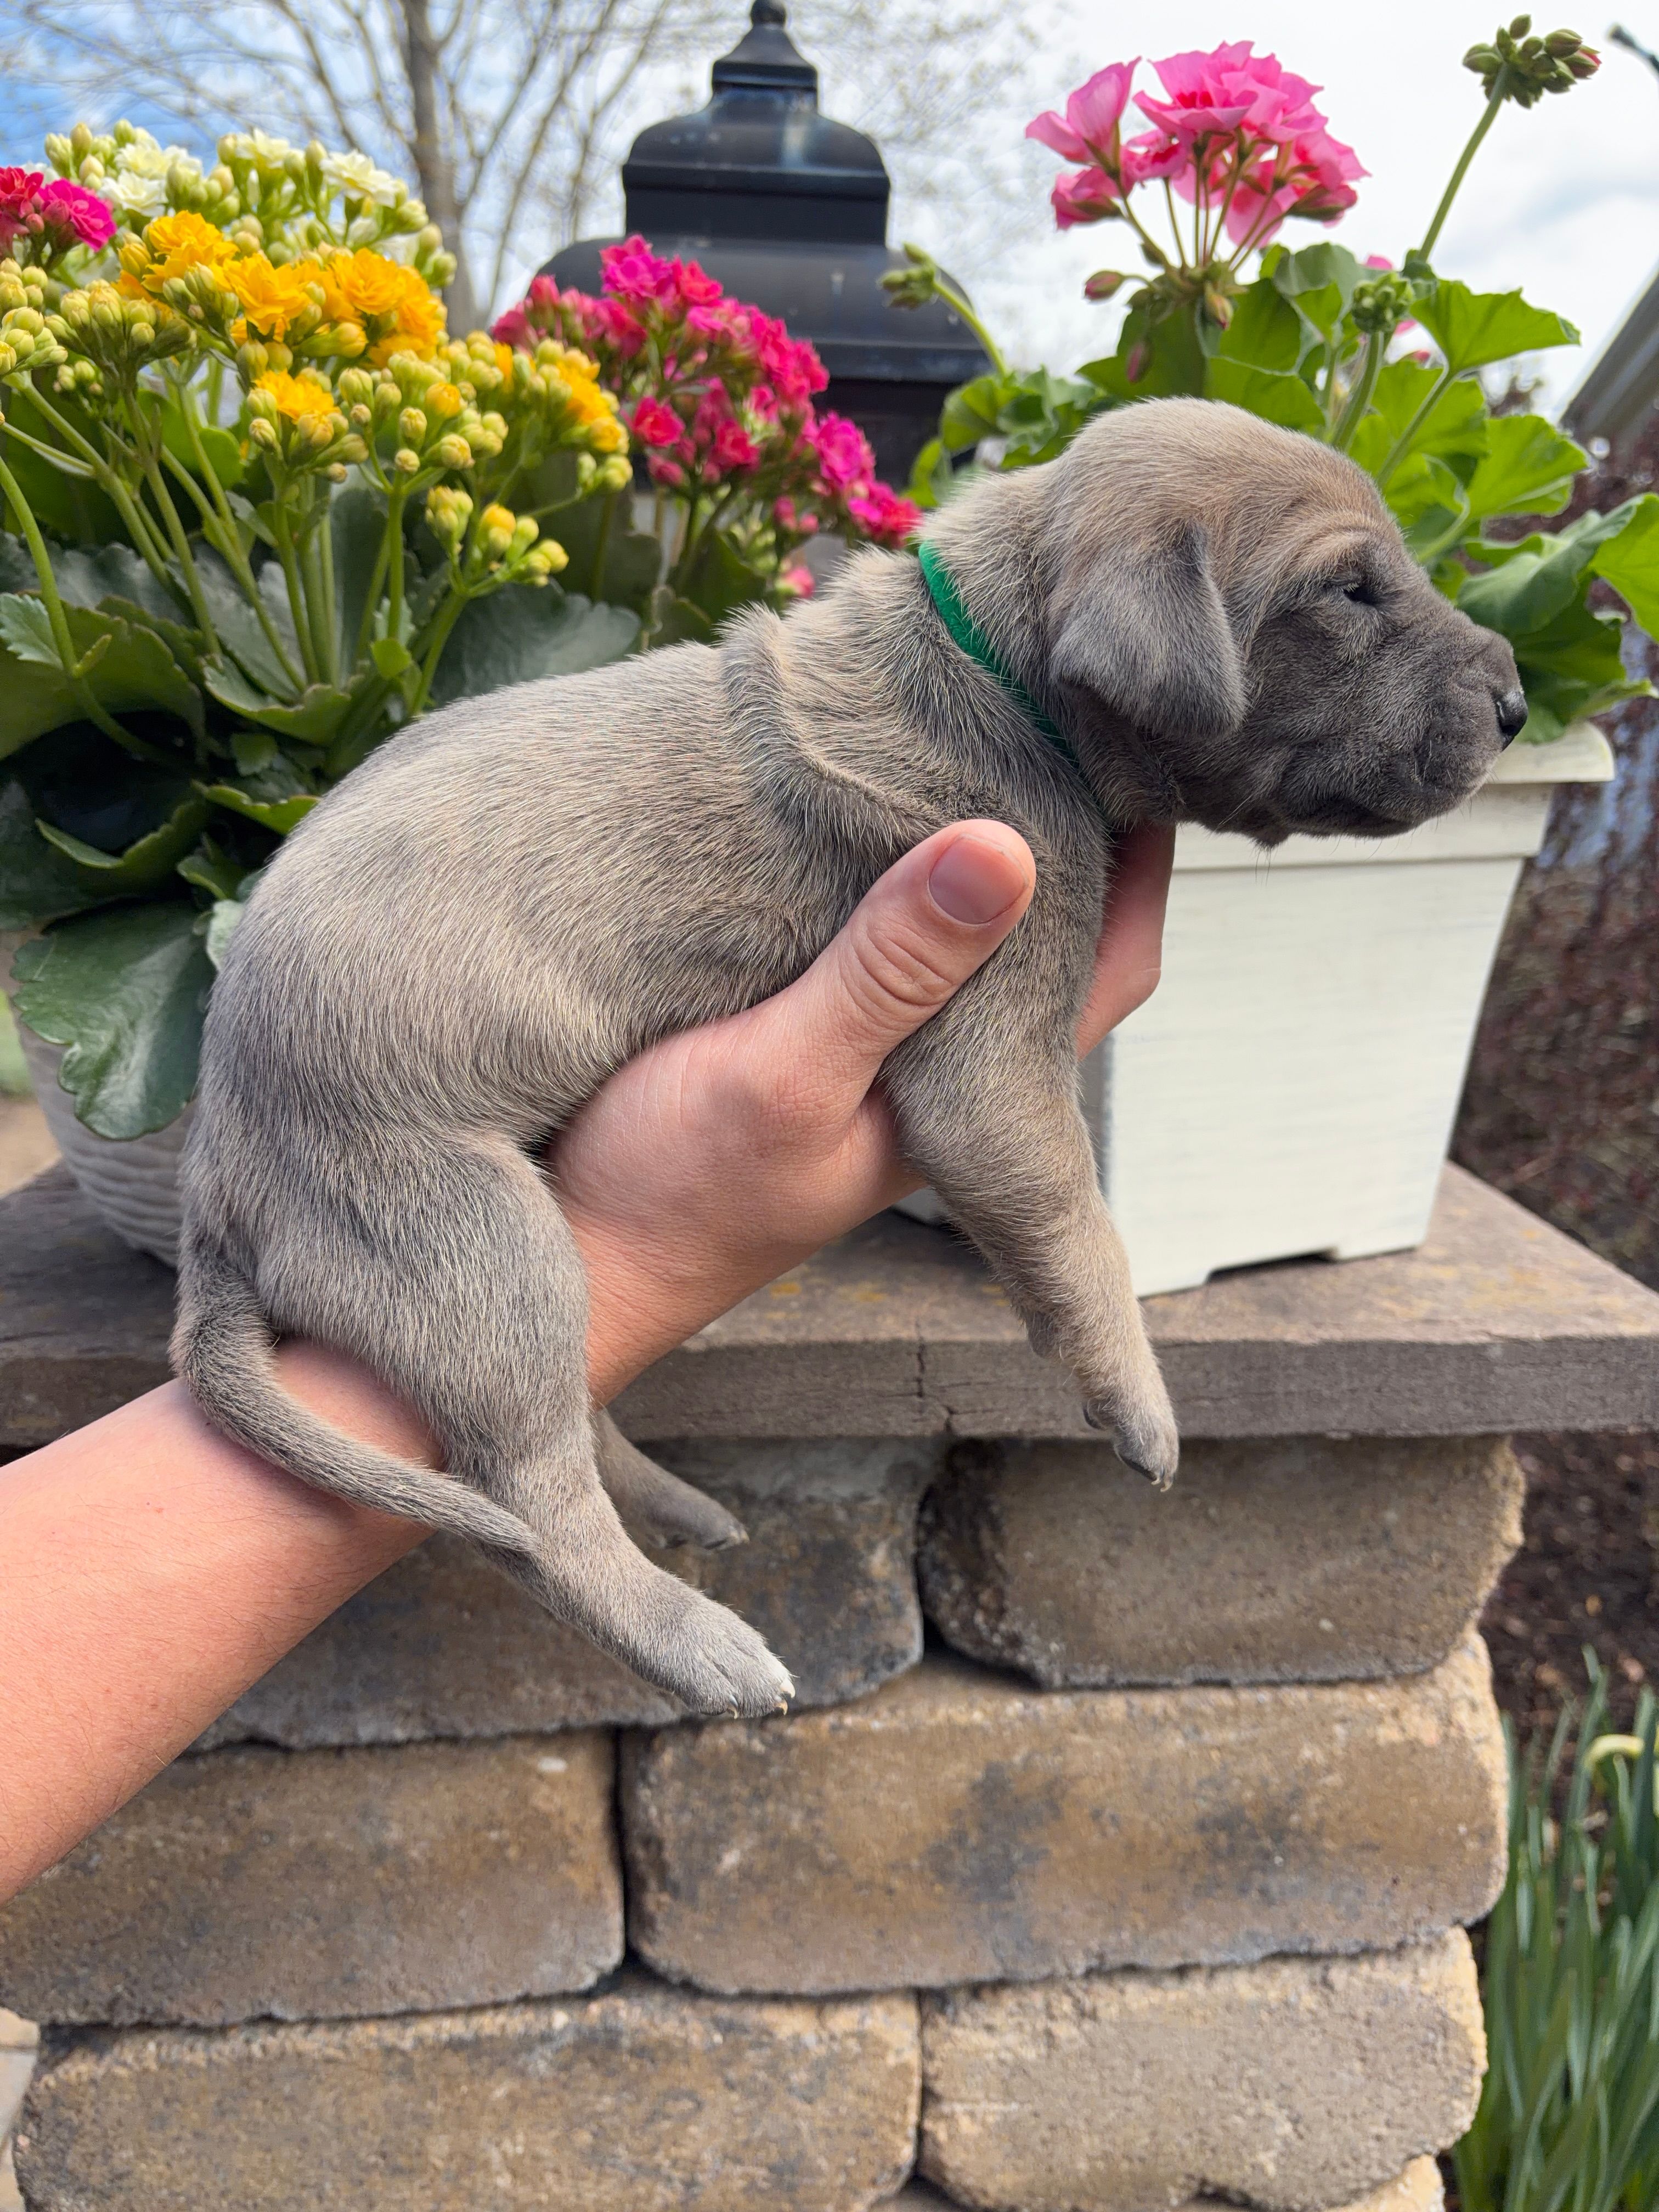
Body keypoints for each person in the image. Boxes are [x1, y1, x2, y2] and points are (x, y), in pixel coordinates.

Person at [0, 819, 1173, 1905]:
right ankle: (570, 1540)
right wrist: (634, 1254)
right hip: (387, 1098)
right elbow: (986, 1107)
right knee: (495, 1271)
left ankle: (575, 1456)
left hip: (396, 1033)